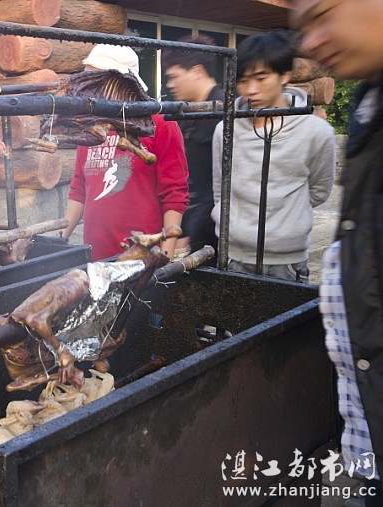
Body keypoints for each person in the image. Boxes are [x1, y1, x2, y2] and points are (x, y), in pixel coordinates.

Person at [290, 1, 383, 503]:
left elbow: (320, 189)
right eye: (303, 28)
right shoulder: (371, 104)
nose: (311, 42)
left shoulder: (322, 128)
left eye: (323, 14)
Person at [210, 29, 336, 282]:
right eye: (243, 80)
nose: (251, 89)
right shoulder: (226, 129)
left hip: (287, 260)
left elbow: (319, 191)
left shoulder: (316, 131)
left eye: (261, 78)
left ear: (285, 75)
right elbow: (220, 187)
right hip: (233, 255)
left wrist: (286, 220)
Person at [61, 44, 189, 260]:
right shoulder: (90, 123)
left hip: (142, 256)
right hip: (96, 254)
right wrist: (60, 238)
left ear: (120, 81)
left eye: (94, 79)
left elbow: (174, 195)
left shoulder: (160, 123)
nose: (86, 87)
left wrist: (164, 258)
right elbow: (79, 189)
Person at [162, 35, 225, 262]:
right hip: (189, 229)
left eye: (174, 76)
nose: (170, 84)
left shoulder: (226, 112)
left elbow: (220, 183)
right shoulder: (182, 113)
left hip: (216, 232)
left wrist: (193, 230)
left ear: (197, 71)